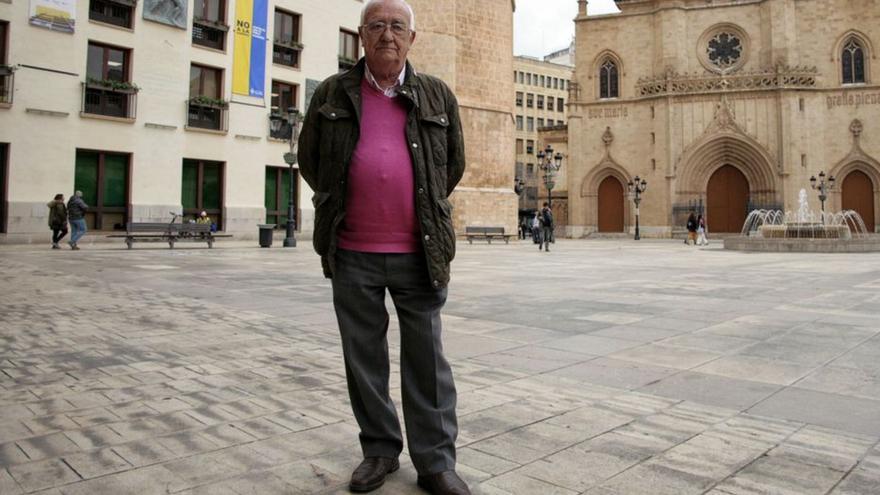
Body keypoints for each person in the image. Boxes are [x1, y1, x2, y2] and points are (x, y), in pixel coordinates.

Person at [297, 1, 468, 493]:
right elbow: (312, 159)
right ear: (362, 36)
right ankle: (379, 450)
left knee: (427, 360)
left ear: (412, 38)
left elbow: (450, 165)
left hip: (421, 251)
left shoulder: (436, 94)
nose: (387, 35)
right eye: (377, 26)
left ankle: (436, 462)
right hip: (352, 250)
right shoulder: (333, 92)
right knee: (363, 357)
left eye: (397, 26)